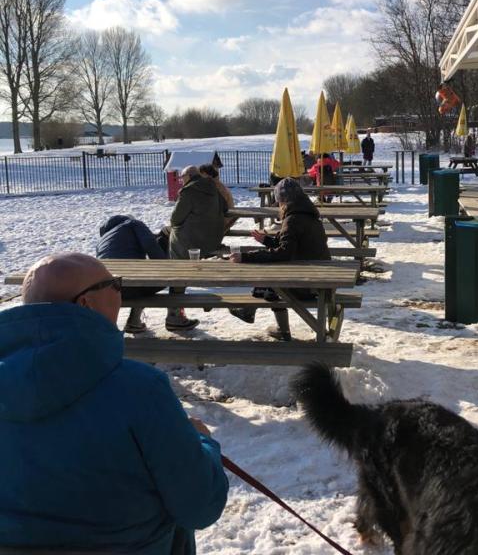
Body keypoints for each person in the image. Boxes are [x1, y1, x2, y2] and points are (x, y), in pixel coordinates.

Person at [0, 253, 228, 554]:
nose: (121, 292)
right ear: (86, 303)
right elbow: (200, 505)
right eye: (114, 285)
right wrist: (203, 442)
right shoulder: (141, 389)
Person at [229, 177, 330, 341]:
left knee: (270, 278)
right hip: (318, 279)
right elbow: (293, 245)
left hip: (308, 285)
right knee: (271, 277)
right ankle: (263, 319)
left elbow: (283, 253)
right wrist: (267, 241)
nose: (278, 206)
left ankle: (257, 315)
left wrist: (245, 256)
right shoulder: (308, 215)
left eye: (279, 201)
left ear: (283, 200)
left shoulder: (293, 219)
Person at [168, 165, 229, 331]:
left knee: (176, 266)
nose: (181, 181)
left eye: (182, 178)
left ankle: (174, 314)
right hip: (211, 240)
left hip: (191, 243)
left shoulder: (188, 192)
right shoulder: (213, 187)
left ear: (188, 176)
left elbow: (175, 219)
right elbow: (225, 208)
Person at [97, 214, 167, 334]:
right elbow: (151, 246)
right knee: (155, 281)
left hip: (108, 290)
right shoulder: (133, 224)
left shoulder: (102, 241)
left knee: (136, 280)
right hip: (131, 287)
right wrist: (166, 268)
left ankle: (133, 322)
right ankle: (174, 315)